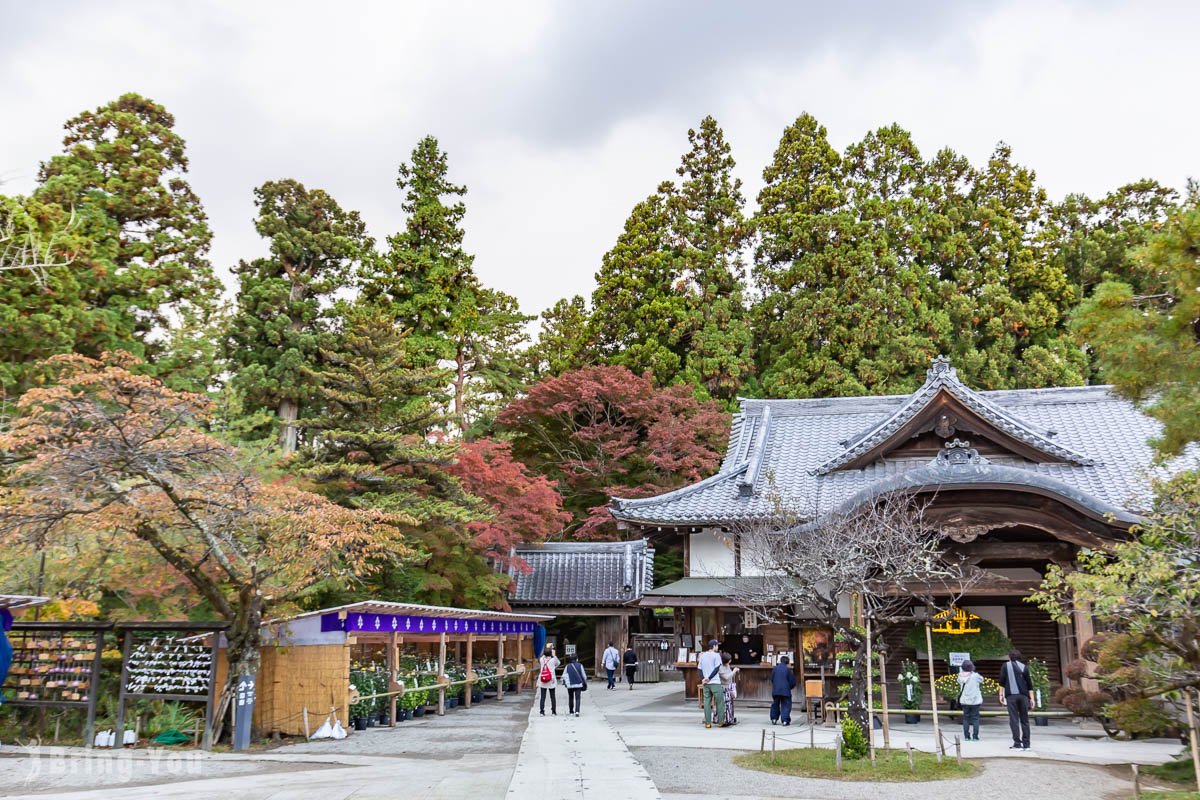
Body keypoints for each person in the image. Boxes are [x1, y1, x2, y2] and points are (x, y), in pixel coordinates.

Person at [998, 649, 1035, 750]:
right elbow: (1029, 684)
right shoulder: (1024, 667)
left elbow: (1002, 681)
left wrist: (1000, 695)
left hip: (1011, 696)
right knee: (1025, 721)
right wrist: (1032, 698)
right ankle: (1027, 745)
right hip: (1024, 696)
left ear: (1009, 657)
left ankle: (1017, 744)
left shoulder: (1005, 666)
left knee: (1014, 720)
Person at [697, 639, 726, 728]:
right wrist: (709, 678)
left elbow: (699, 669)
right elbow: (717, 668)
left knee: (707, 702)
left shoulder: (702, 656)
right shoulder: (716, 655)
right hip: (715, 682)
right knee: (719, 702)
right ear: (713, 646)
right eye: (717, 645)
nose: (717, 647)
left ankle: (708, 723)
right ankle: (721, 722)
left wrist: (704, 679)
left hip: (706, 683)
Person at [957, 659, 984, 741]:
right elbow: (982, 679)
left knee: (966, 718)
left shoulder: (960, 676)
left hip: (965, 700)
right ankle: (975, 736)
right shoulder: (975, 676)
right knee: (975, 718)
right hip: (975, 700)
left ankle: (966, 736)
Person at [769, 655, 796, 726]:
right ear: (787, 662)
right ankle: (785, 720)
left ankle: (774, 719)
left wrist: (775, 685)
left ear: (780, 661)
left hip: (776, 690)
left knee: (775, 704)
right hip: (785, 690)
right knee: (786, 705)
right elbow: (792, 681)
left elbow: (771, 678)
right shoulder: (788, 670)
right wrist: (789, 687)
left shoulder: (775, 669)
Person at [537, 645, 560, 716]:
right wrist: (554, 655)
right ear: (550, 653)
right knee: (552, 696)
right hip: (551, 680)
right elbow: (558, 663)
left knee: (543, 697)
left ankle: (541, 712)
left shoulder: (541, 659)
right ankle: (553, 712)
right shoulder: (553, 660)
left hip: (543, 679)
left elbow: (541, 657)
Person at [719, 651, 740, 726]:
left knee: (729, 704)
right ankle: (723, 720)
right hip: (723, 687)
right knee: (724, 705)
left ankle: (729, 719)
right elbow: (726, 677)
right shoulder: (720, 667)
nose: (730, 661)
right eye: (729, 660)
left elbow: (730, 675)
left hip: (729, 687)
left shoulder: (727, 665)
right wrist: (734, 671)